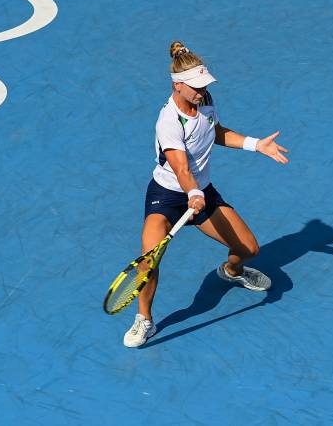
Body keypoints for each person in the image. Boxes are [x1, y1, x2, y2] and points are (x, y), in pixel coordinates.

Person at [123, 41, 290, 348]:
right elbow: (181, 168)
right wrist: (193, 192)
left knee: (249, 248)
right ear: (177, 86)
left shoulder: (205, 100)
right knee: (149, 260)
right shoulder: (168, 121)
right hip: (168, 197)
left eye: (204, 86)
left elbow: (214, 130)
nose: (202, 92)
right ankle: (145, 319)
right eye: (196, 88)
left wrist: (256, 144)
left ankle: (231, 271)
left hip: (202, 195)